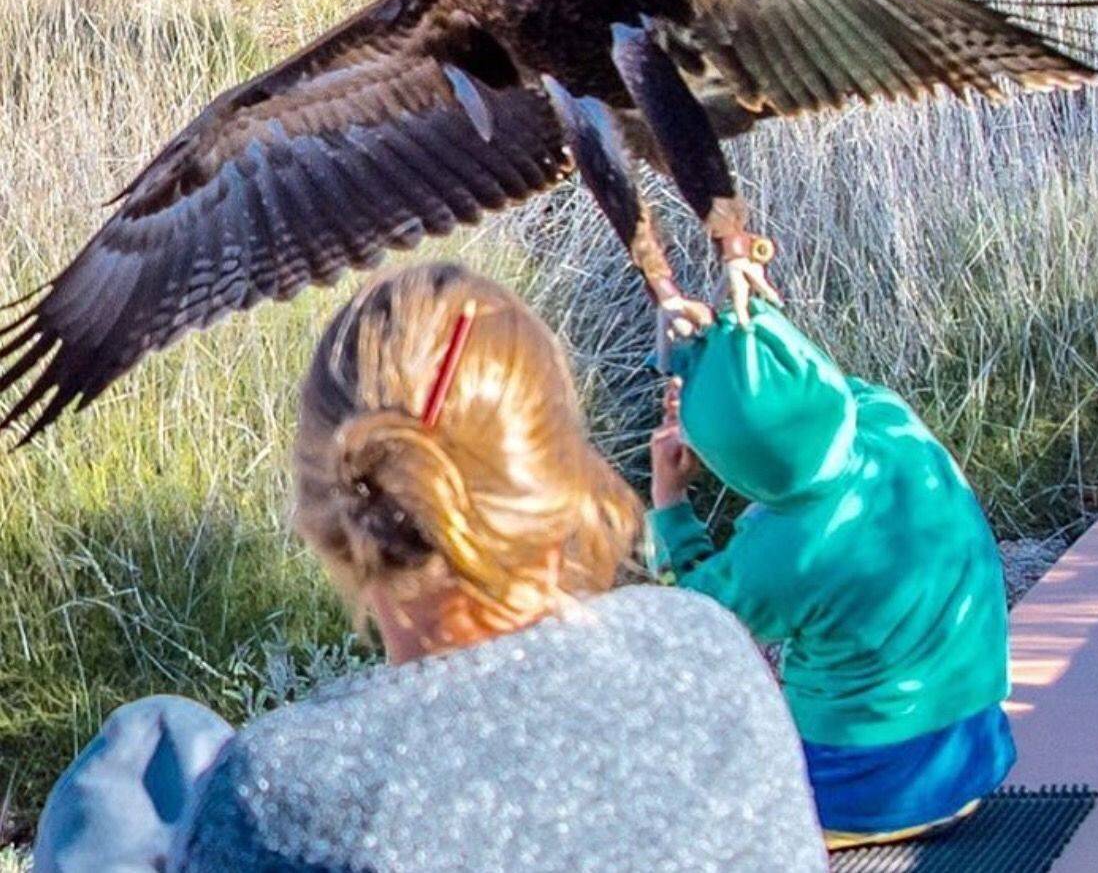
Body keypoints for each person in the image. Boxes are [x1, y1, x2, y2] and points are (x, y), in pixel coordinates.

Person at [35, 263, 827, 873]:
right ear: (560, 471)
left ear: (323, 512)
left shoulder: (285, 793)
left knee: (140, 760)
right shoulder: (708, 656)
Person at [647, 297, 1017, 851]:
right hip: (974, 759)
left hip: (862, 793)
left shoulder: (783, 552)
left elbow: (689, 623)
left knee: (669, 796)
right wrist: (724, 348)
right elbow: (802, 389)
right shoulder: (890, 419)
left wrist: (669, 502)